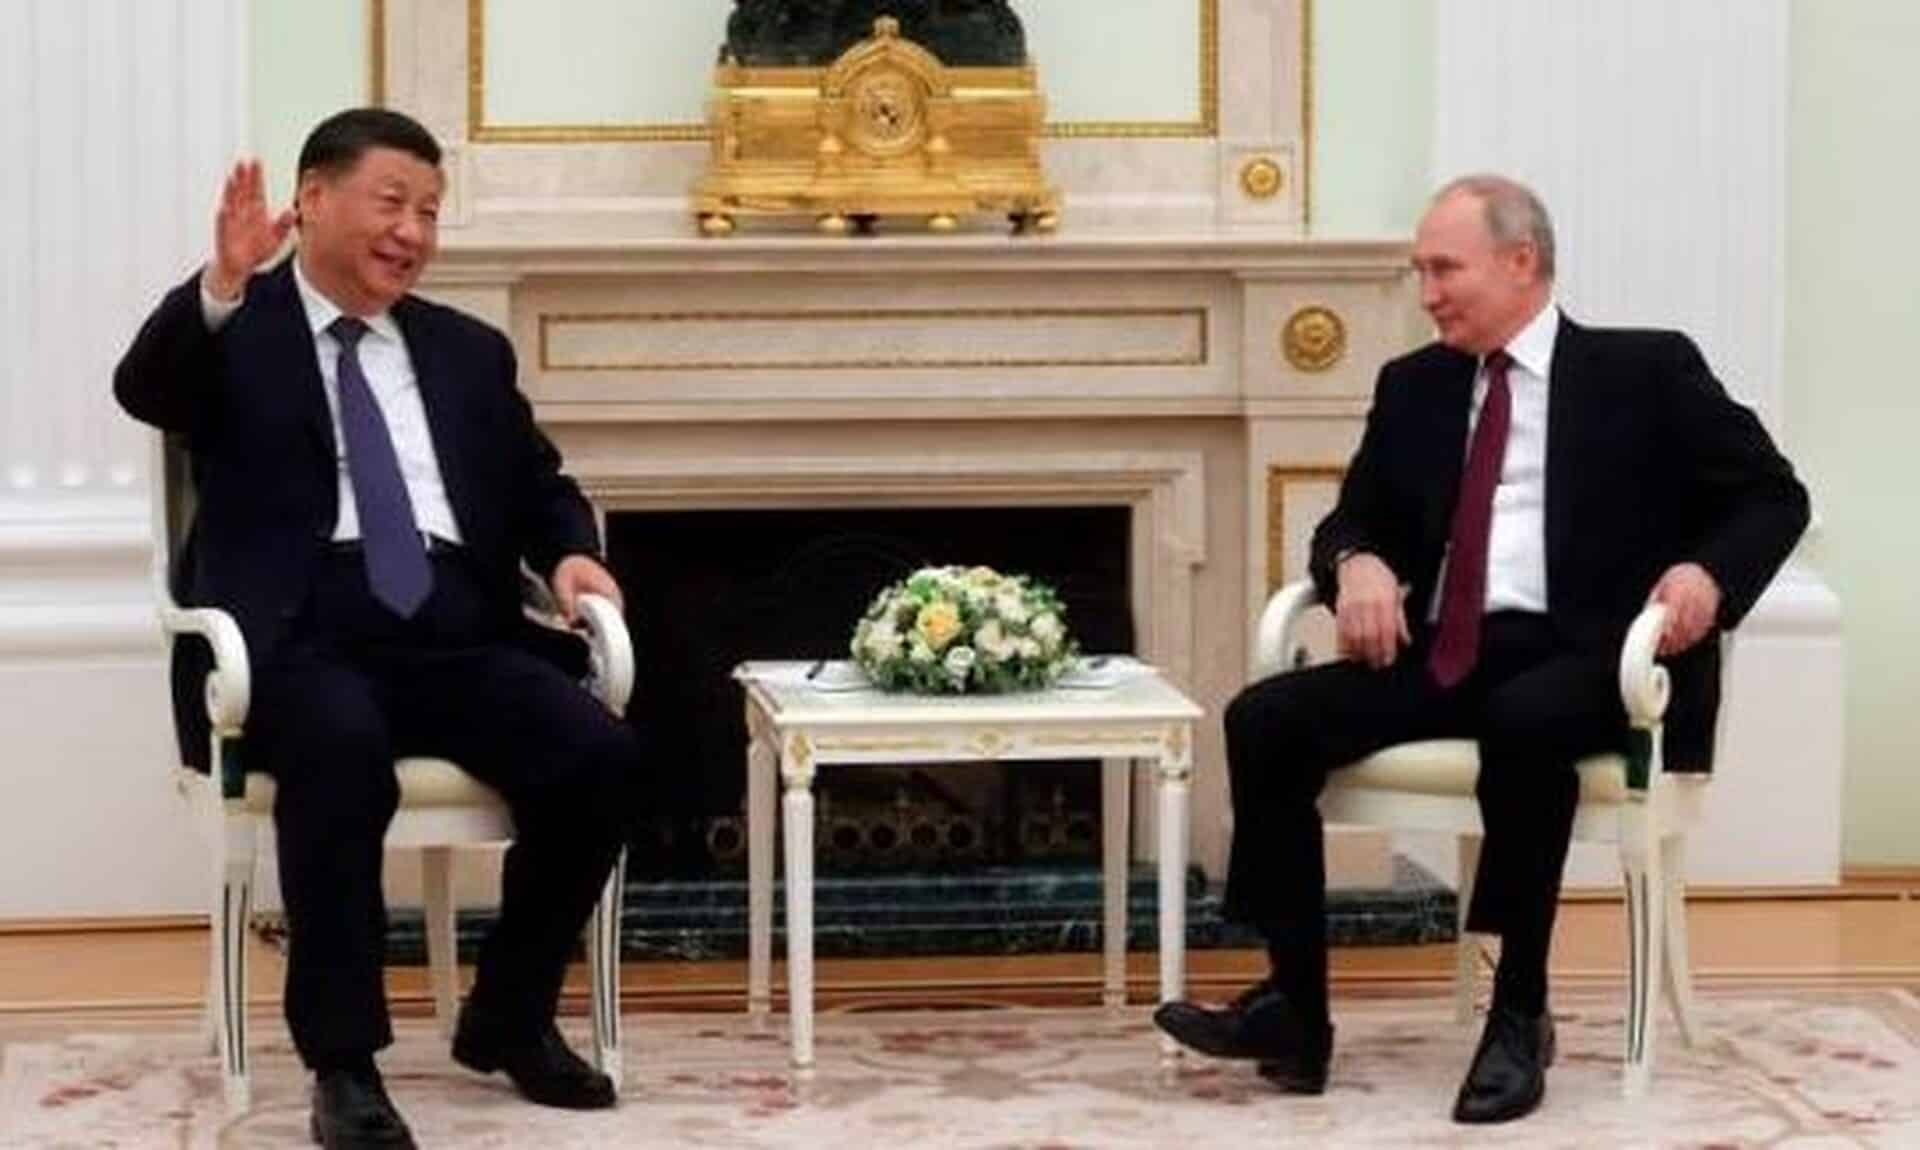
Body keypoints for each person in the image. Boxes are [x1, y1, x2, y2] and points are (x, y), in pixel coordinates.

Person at [1153, 174, 1809, 1124]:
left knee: (1525, 719)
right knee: (1267, 718)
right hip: (1448, 649)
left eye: (1444, 269)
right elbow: (1351, 519)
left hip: (1594, 655)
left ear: (1521, 261)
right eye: (1420, 271)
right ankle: (1293, 1008)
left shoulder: (1646, 372)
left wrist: (1708, 575)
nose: (1427, 293)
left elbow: (1773, 496)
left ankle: (1517, 1011)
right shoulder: (1414, 385)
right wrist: (1356, 562)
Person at [116, 108, 639, 1148]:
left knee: (601, 756)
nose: (413, 231)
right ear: (312, 199)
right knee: (341, 751)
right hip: (298, 636)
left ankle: (510, 1016)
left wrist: (569, 553)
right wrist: (221, 282)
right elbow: (146, 389)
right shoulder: (239, 331)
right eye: (392, 202)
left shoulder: (465, 351)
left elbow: (538, 485)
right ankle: (345, 1064)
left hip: (455, 630)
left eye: (430, 212)